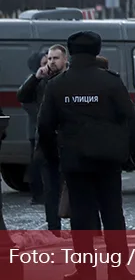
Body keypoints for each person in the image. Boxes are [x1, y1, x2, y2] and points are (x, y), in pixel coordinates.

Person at [38, 31, 135, 280]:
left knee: (81, 218)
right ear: (97, 51)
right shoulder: (111, 82)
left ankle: (85, 271)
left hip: (75, 161)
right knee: (113, 214)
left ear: (71, 53)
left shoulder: (57, 84)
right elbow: (131, 121)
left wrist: (54, 158)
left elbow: (44, 126)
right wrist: (128, 155)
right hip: (108, 160)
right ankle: (119, 271)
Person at [18, 44, 68, 233]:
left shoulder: (69, 79)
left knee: (75, 188)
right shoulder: (42, 81)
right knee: (51, 191)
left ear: (65, 60)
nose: (51, 62)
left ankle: (84, 229)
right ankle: (54, 228)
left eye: (55, 58)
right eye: (49, 59)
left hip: (69, 143)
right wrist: (35, 77)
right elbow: (22, 96)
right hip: (48, 145)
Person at [19, 52, 48, 205]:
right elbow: (25, 101)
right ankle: (37, 194)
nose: (46, 66)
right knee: (36, 164)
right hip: (36, 130)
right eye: (43, 63)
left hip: (48, 128)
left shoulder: (50, 80)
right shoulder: (32, 81)